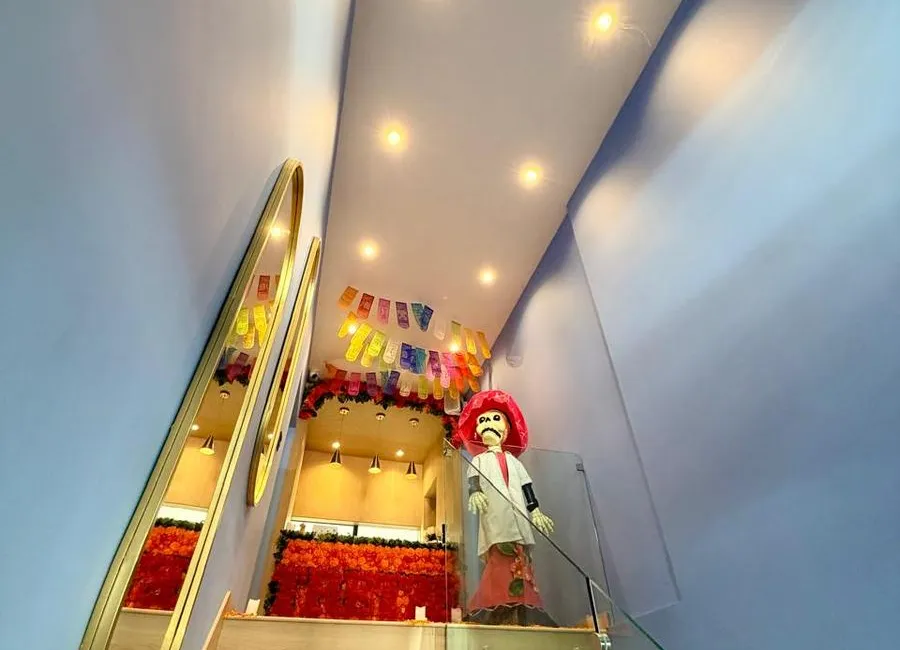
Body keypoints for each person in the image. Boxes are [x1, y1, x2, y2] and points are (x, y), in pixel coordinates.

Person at [454, 390, 556, 626]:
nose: (488, 424)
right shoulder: (479, 460)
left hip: (519, 519)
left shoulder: (514, 462)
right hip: (496, 520)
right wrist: (475, 492)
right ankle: (497, 605)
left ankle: (524, 606)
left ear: (507, 429)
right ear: (477, 430)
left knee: (521, 562)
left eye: (495, 418)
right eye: (482, 420)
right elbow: (473, 480)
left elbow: (527, 487)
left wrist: (535, 510)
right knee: (501, 559)